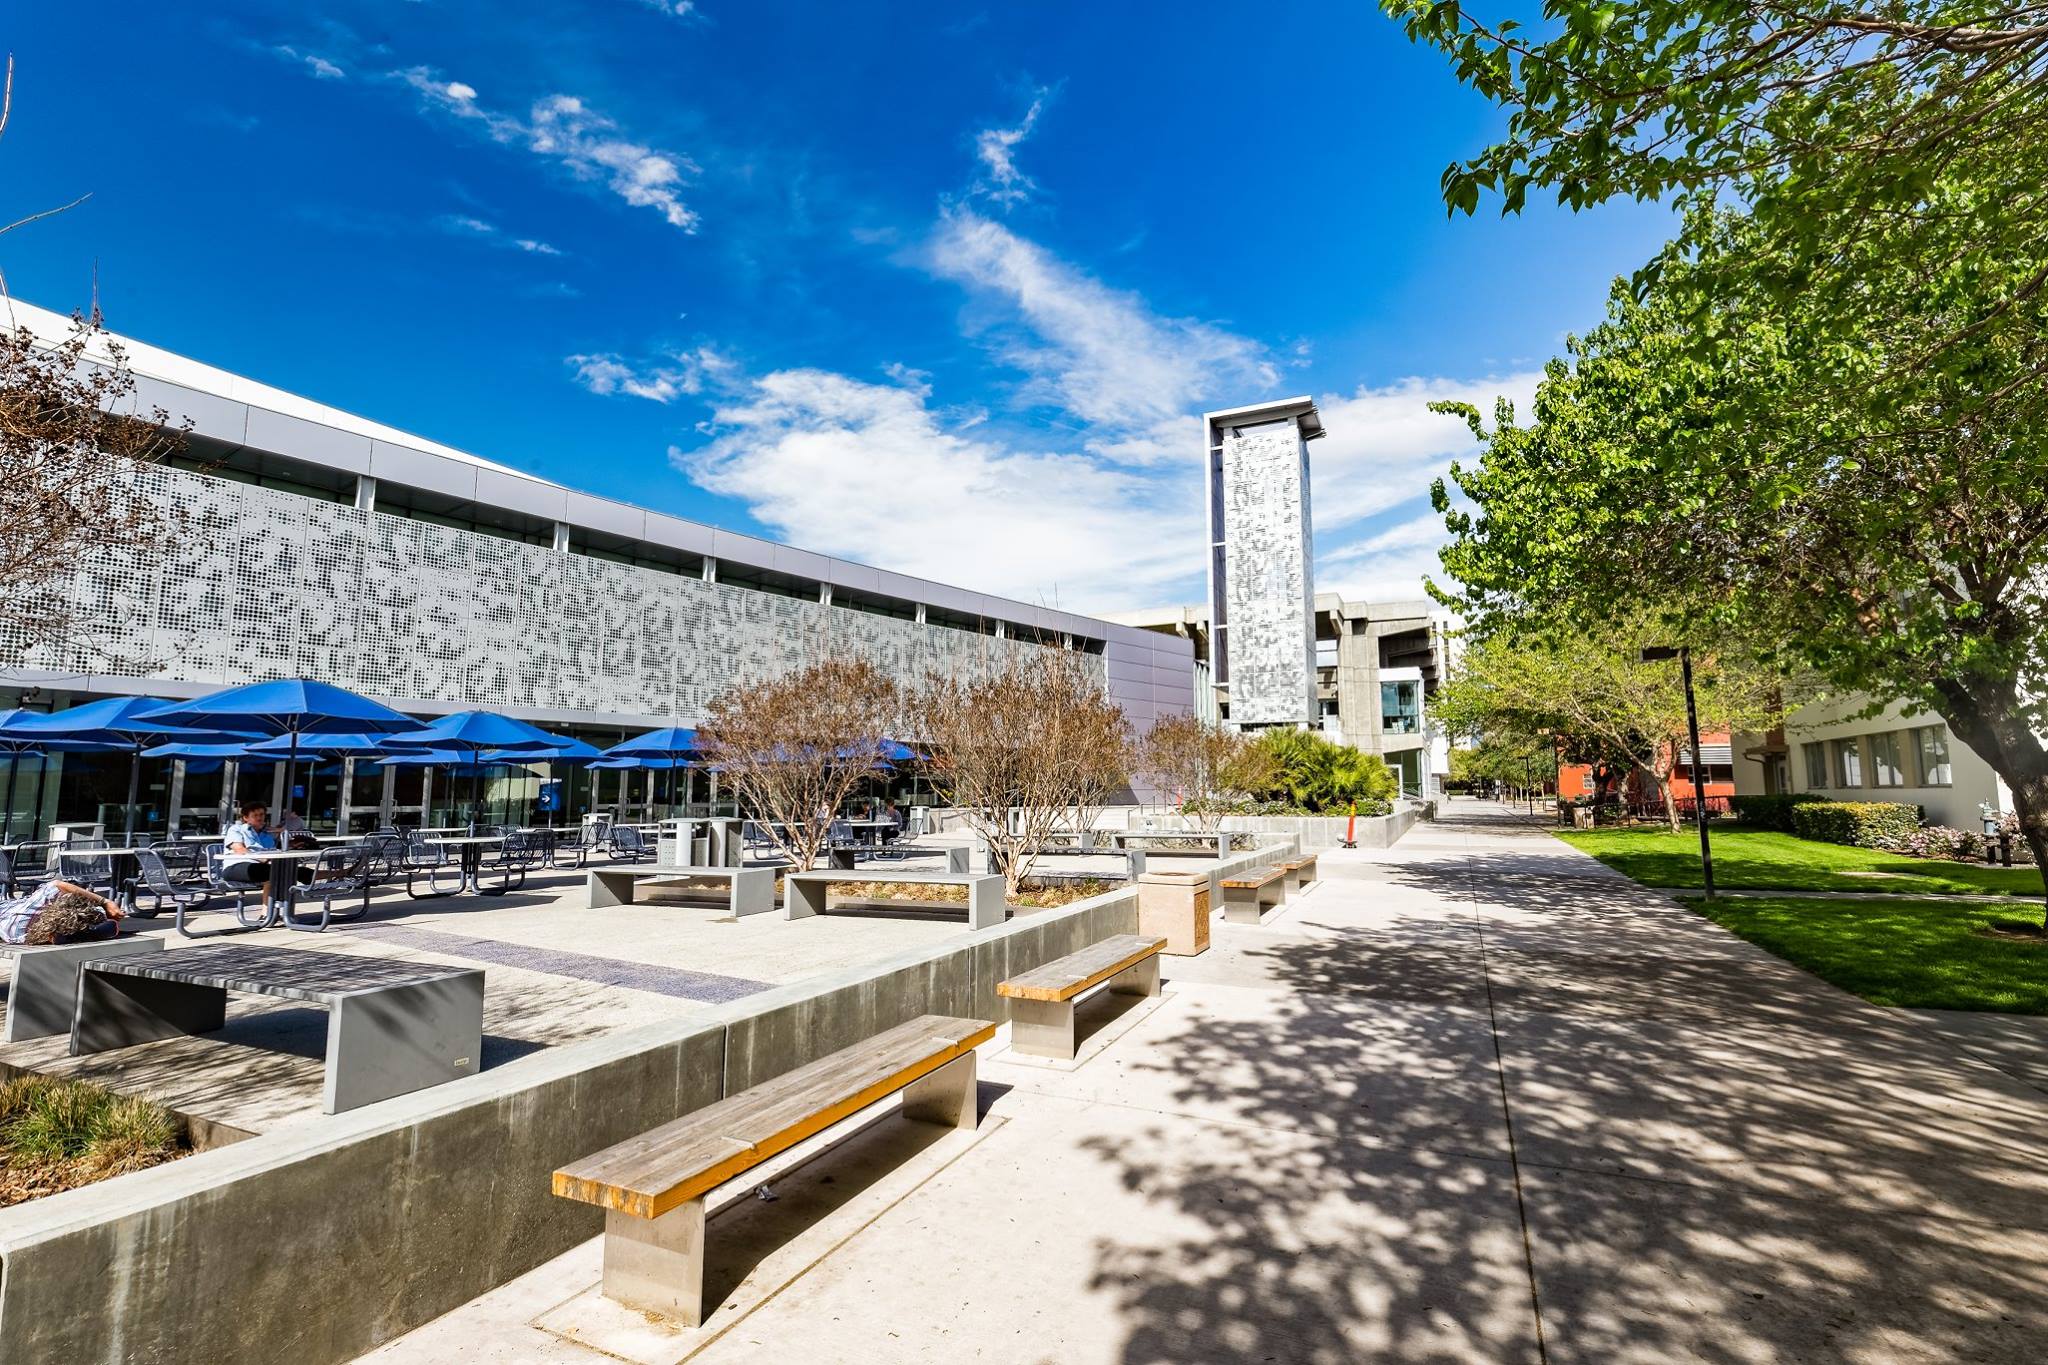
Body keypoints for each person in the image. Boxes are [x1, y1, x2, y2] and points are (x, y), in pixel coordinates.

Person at [0, 879, 124, 945]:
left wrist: (104, 902)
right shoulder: (18, 932)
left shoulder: (39, 904)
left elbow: (57, 884)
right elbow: (111, 927)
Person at [221, 799, 279, 907]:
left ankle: (320, 877)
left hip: (261, 867)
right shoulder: (236, 829)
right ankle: (267, 913)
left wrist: (283, 833)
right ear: (246, 818)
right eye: (255, 815)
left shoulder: (267, 835)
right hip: (236, 866)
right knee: (275, 872)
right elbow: (239, 849)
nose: (259, 817)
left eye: (261, 814)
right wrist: (264, 860)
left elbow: (273, 852)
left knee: (291, 870)